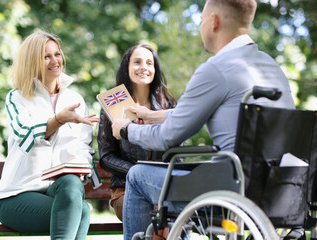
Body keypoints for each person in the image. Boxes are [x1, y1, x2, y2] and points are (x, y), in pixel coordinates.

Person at [111, 0, 296, 239]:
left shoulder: (216, 69)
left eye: (200, 21)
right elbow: (200, 112)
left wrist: (127, 130)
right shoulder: (272, 68)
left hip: (232, 190)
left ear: (214, 22)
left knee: (137, 175)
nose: (200, 28)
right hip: (280, 191)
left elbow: (167, 138)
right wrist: (151, 116)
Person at [0, 31, 100, 240]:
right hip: (17, 197)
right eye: (46, 56)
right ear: (32, 61)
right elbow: (25, 134)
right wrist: (59, 120)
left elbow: (84, 147)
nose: (55, 61)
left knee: (72, 185)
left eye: (57, 54)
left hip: (59, 193)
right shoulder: (17, 97)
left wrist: (81, 168)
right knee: (82, 212)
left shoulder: (75, 99)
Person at [97, 44, 176, 221]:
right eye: (137, 62)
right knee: (156, 213)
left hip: (161, 188)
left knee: (168, 212)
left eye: (149, 63)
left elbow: (177, 150)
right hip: (126, 190)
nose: (144, 67)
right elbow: (105, 157)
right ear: (127, 67)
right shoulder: (113, 104)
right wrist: (139, 173)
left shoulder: (167, 105)